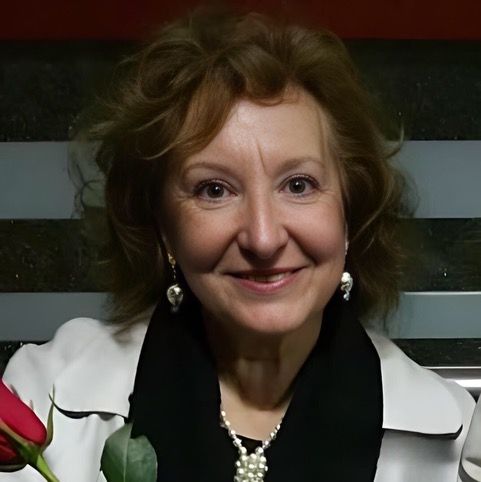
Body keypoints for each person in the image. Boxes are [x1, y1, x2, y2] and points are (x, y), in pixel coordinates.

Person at [2, 8, 478, 482]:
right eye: (214, 190)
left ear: (349, 212)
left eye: (298, 185)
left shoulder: (455, 441)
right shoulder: (43, 393)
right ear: (163, 228)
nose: (263, 238)